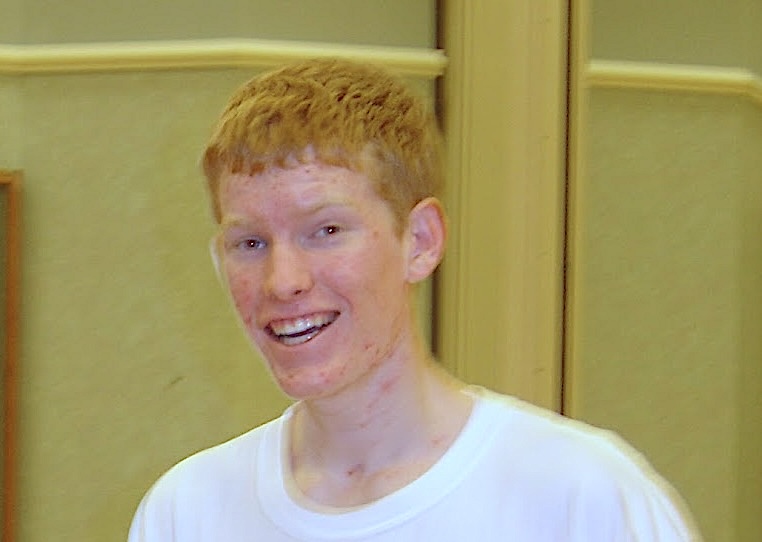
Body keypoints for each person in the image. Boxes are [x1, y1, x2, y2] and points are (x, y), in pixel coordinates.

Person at [128, 58, 702, 541]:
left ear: (421, 241)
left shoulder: (581, 499)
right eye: (250, 243)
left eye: (326, 231)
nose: (283, 281)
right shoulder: (188, 513)